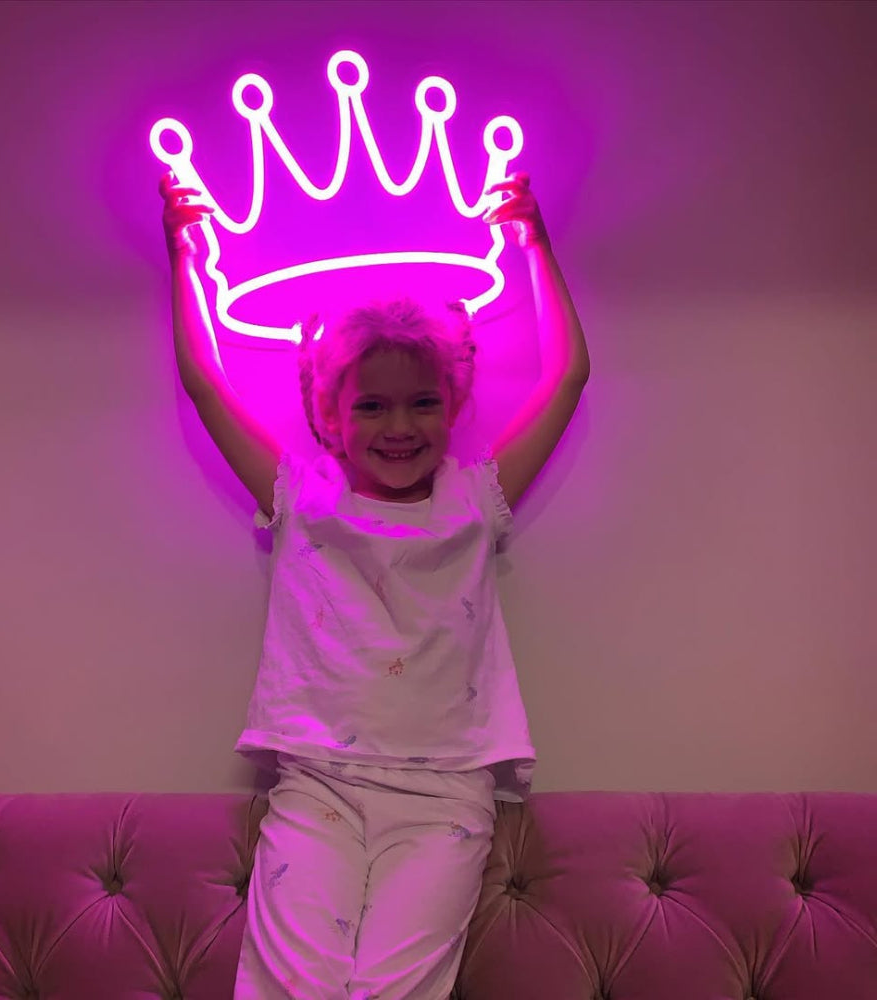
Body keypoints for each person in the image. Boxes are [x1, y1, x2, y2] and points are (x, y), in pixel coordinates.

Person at [159, 169, 590, 1000]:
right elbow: (205, 383)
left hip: (442, 795)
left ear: (455, 405)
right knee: (290, 988)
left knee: (394, 990)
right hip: (318, 782)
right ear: (330, 414)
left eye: (422, 402)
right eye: (371, 408)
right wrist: (184, 253)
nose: (399, 428)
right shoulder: (303, 498)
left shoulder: (474, 500)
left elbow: (566, 381)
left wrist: (534, 239)